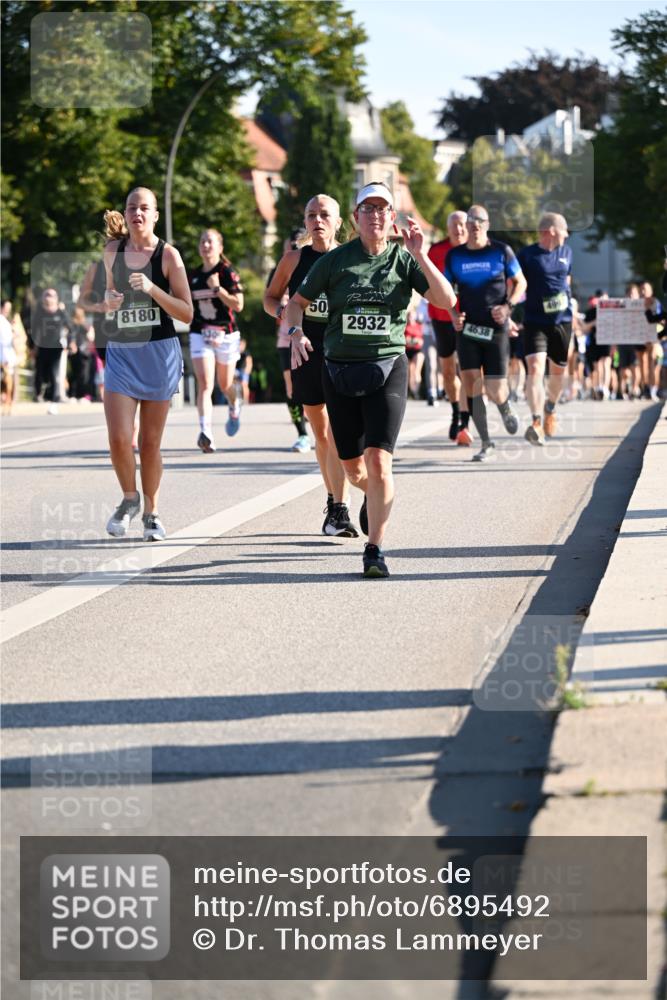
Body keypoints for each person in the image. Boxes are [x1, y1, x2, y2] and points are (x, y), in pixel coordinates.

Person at [284, 181, 456, 577]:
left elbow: (447, 300)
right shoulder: (336, 260)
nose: (375, 215)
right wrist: (295, 333)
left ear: (391, 217)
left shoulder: (404, 259)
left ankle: (375, 549)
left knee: (379, 463)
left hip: (387, 368)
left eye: (383, 209)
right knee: (354, 471)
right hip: (339, 369)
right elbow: (296, 306)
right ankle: (374, 497)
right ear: (356, 216)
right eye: (368, 208)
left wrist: (422, 256)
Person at [101, 187, 193, 541]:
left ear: (155, 215)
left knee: (151, 443)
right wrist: (109, 300)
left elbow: (186, 311)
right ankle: (129, 499)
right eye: (131, 208)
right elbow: (109, 296)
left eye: (144, 208)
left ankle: (152, 512)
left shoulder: (169, 256)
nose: (137, 213)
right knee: (120, 438)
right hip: (123, 351)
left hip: (159, 353)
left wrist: (154, 289)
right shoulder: (113, 252)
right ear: (125, 214)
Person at [265, 194, 358, 537]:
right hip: (305, 351)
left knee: (337, 433)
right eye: (311, 215)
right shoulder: (293, 259)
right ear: (305, 222)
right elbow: (270, 297)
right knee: (320, 433)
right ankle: (334, 499)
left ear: (338, 222)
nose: (317, 220)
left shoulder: (350, 258)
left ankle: (340, 507)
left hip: (342, 352)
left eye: (324, 215)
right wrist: (285, 316)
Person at [446, 205, 526, 462]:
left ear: (487, 225)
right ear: (465, 225)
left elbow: (521, 282)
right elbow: (445, 290)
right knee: (472, 384)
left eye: (480, 221)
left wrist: (508, 307)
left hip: (496, 328)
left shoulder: (501, 251)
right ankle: (486, 442)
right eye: (471, 220)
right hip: (468, 328)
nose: (475, 225)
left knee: (494, 388)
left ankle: (504, 405)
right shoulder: (455, 255)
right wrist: (452, 314)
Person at [518, 212, 572, 445]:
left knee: (557, 372)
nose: (567, 235)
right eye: (564, 230)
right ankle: (536, 421)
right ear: (551, 231)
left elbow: (567, 283)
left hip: (562, 321)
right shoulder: (527, 255)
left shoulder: (567, 253)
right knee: (535, 368)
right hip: (535, 321)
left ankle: (550, 408)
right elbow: (517, 284)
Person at [188, 228, 244, 453]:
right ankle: (206, 433)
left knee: (225, 384)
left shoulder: (227, 271)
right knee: (205, 384)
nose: (206, 245)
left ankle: (234, 402)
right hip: (200, 333)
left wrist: (217, 289)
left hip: (226, 334)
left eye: (210, 241)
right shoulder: (192, 276)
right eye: (202, 241)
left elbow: (238, 305)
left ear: (220, 247)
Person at [428, 210, 472, 444]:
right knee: (447, 371)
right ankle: (456, 411)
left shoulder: (475, 251)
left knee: (468, 370)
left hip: (468, 318)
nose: (459, 229)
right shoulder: (436, 251)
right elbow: (426, 281)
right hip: (441, 317)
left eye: (463, 224)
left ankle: (465, 421)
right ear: (448, 228)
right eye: (454, 224)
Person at [269, 230, 311, 453]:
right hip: (286, 338)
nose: (294, 248)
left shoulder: (316, 265)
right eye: (290, 245)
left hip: (312, 334)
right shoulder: (281, 270)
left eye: (298, 244)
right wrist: (280, 309)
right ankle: (302, 434)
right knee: (291, 387)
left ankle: (324, 430)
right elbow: (270, 299)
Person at [30, 288, 73, 414]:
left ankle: (54, 399)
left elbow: (71, 328)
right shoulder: (39, 313)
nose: (49, 297)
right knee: (40, 372)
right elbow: (33, 331)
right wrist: (32, 347)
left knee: (54, 374)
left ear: (56, 298)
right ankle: (38, 395)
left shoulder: (61, 312)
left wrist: (70, 343)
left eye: (52, 295)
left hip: (56, 348)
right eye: (47, 295)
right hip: (42, 347)